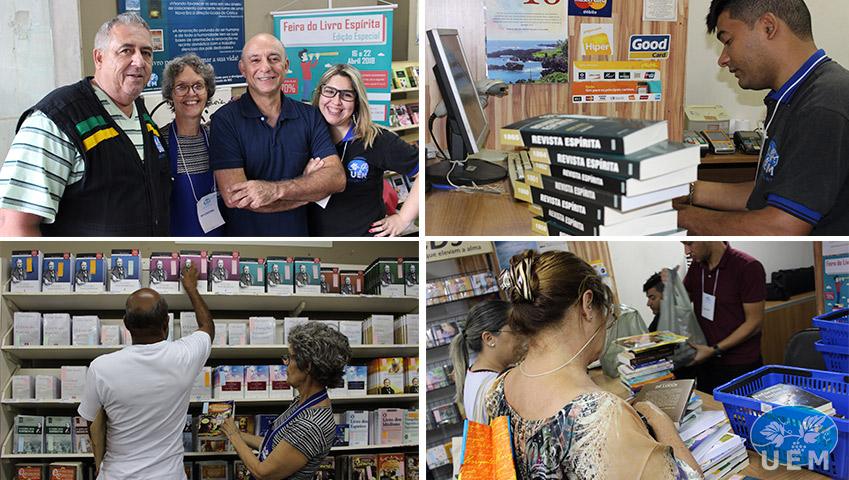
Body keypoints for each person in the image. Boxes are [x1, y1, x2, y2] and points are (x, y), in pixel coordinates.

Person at [487, 250, 702, 478]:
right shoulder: (602, 417)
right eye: (607, 313)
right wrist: (660, 420)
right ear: (587, 305)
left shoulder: (497, 389)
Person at [677, 0, 849, 235]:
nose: (723, 59)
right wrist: (682, 191)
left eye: (728, 41)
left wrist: (680, 218)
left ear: (768, 26)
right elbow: (766, 193)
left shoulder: (823, 105)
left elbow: (782, 227)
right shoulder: (795, 97)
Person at [0, 12, 170, 236]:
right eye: (126, 50)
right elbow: (14, 224)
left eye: (146, 53)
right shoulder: (57, 119)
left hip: (144, 268)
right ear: (99, 58)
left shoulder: (141, 114)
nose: (139, 61)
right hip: (83, 271)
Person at [78, 265, 213, 478]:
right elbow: (207, 328)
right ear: (167, 323)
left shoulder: (101, 367)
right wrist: (190, 288)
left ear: (126, 325)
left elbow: (93, 425)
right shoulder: (184, 357)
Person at [210, 33, 346, 236]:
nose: (266, 67)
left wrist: (275, 191)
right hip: (245, 243)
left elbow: (336, 178)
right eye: (255, 60)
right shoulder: (225, 120)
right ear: (242, 69)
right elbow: (235, 197)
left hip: (302, 240)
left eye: (274, 59)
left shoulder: (310, 116)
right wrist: (308, 191)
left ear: (286, 65)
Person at [220, 322, 350, 479]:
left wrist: (234, 436)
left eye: (290, 357)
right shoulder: (303, 402)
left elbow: (263, 473)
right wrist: (234, 432)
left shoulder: (311, 425)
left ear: (307, 366)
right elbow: (275, 447)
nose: (285, 363)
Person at [308, 64, 420, 236]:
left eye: (346, 95)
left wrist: (403, 219)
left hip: (362, 238)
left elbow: (423, 169)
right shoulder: (304, 135)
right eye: (330, 91)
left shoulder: (376, 139)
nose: (336, 101)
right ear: (319, 93)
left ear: (357, 101)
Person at [677, 241, 766, 393]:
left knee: (740, 414)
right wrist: (669, 285)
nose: (687, 251)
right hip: (706, 361)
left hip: (739, 364)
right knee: (710, 412)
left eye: (690, 244)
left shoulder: (747, 267)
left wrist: (714, 349)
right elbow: (682, 301)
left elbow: (754, 323)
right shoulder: (697, 267)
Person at [160, 53, 225, 236]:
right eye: (181, 87)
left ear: (208, 91)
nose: (191, 93)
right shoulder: (159, 141)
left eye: (198, 86)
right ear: (170, 94)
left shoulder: (217, 136)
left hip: (219, 240)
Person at [449, 300, 519, 423]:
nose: (522, 336)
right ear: (489, 338)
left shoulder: (474, 372)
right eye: (515, 330)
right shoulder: (497, 386)